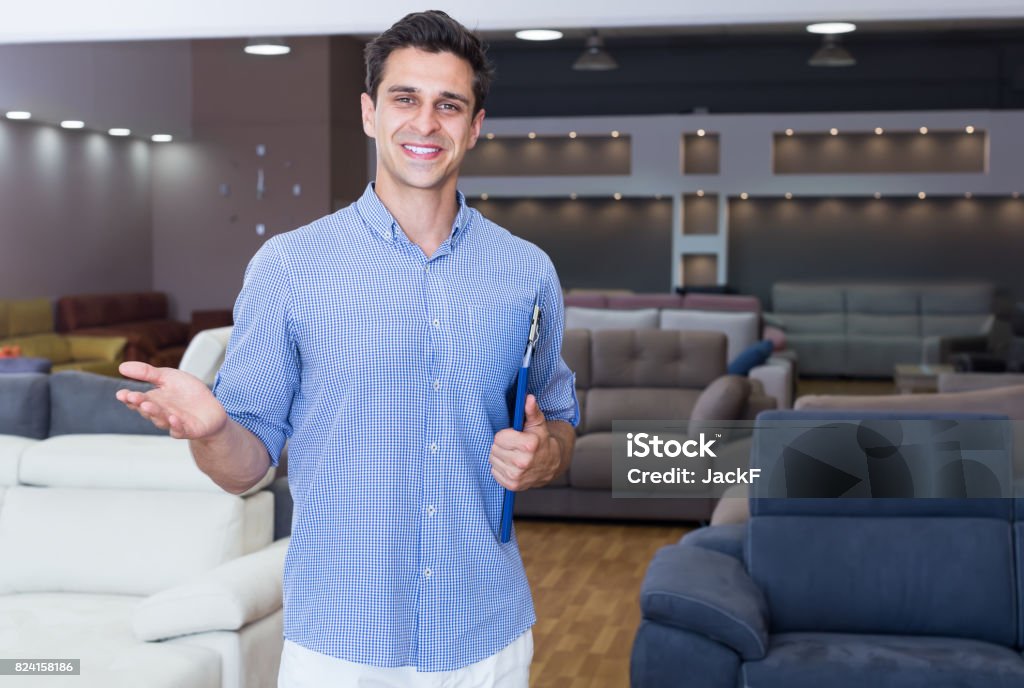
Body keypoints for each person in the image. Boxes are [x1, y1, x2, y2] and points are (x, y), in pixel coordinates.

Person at [116, 10, 579, 687]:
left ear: (475, 126)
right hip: (340, 641)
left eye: (449, 104)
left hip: (486, 633)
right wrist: (213, 430)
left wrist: (547, 454)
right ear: (369, 112)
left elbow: (559, 416)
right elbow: (244, 468)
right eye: (405, 99)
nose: (425, 123)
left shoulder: (526, 271)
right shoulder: (289, 267)